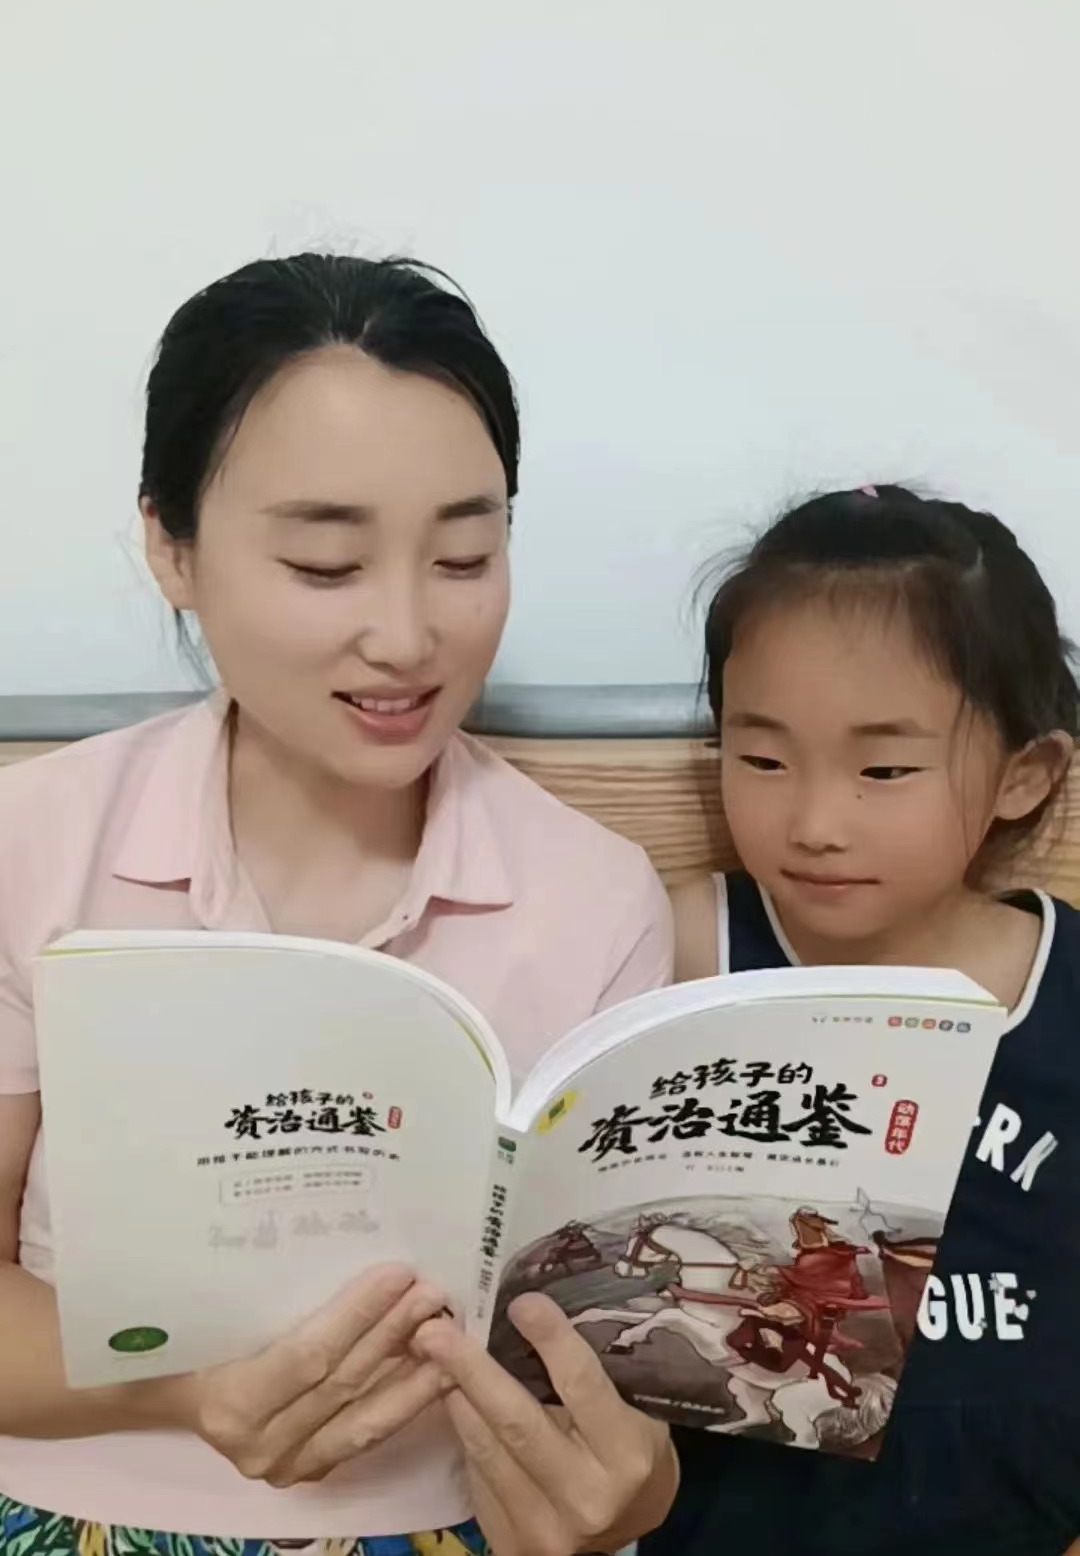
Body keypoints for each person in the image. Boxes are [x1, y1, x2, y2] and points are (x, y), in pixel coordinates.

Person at [0, 254, 678, 1556]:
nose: (409, 636)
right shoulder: (33, 843)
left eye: (466, 554)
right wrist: (184, 1392)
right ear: (171, 547)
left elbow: (611, 1386)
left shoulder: (595, 899)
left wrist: (626, 1496)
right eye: (326, 564)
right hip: (74, 1514)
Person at [641, 484, 1080, 1556]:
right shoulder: (679, 950)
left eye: (883, 769)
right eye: (761, 758)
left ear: (1025, 775)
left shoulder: (1066, 989)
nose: (814, 822)